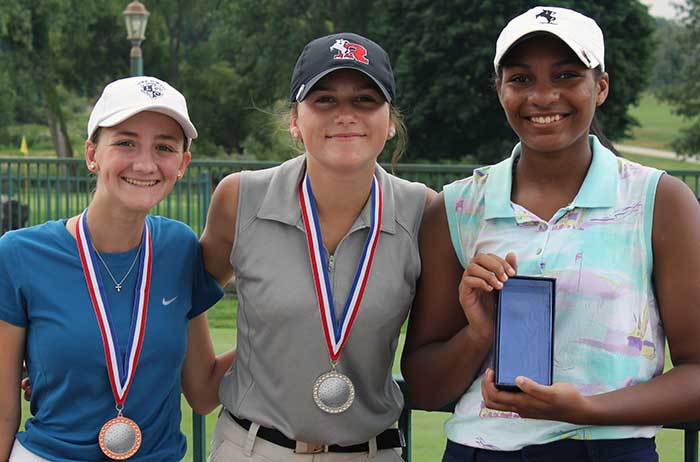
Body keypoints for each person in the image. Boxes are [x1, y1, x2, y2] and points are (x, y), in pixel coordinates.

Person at [402, 6, 700, 462]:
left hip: (610, 451)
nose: (543, 96)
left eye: (565, 75)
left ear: (600, 87)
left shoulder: (659, 201)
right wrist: (479, 333)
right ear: (499, 89)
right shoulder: (458, 208)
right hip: (479, 451)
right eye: (521, 79)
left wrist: (586, 410)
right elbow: (422, 386)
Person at [200, 32, 434, 461]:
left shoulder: (422, 209)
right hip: (251, 449)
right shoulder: (241, 198)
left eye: (365, 99)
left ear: (391, 121)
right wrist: (201, 381)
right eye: (324, 99)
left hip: (371, 452)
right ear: (295, 119)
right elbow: (186, 295)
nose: (345, 115)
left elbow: (437, 343)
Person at [0, 76, 234, 461]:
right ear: (92, 153)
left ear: (182, 164)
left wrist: (281, 330)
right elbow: (6, 410)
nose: (145, 163)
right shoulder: (20, 254)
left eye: (164, 147)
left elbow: (204, 391)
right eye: (126, 142)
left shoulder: (178, 247)